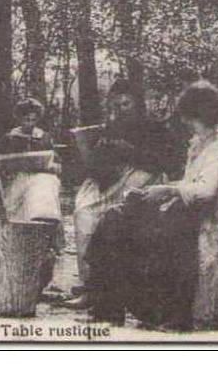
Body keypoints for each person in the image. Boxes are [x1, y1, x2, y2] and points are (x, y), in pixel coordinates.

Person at [85, 80, 218, 329]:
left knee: (136, 233)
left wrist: (167, 190)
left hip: (202, 216)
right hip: (183, 209)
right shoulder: (201, 144)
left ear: (203, 116)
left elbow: (205, 190)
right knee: (114, 218)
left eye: (192, 119)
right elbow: (190, 182)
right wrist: (150, 192)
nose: (189, 125)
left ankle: (163, 314)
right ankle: (108, 306)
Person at [62, 79, 177, 309]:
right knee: (84, 213)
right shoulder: (110, 127)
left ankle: (115, 288)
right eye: (117, 106)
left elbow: (166, 162)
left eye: (126, 104)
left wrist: (129, 151)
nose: (121, 110)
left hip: (142, 179)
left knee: (119, 216)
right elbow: (94, 164)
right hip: (109, 181)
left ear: (137, 104)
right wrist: (102, 153)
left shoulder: (155, 128)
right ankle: (90, 286)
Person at [0, 98, 62, 224]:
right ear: (19, 119)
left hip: (41, 177)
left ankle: (43, 220)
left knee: (45, 182)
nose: (30, 124)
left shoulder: (44, 137)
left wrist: (51, 166)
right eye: (26, 120)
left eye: (33, 120)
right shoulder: (9, 138)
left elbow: (58, 165)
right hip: (17, 178)